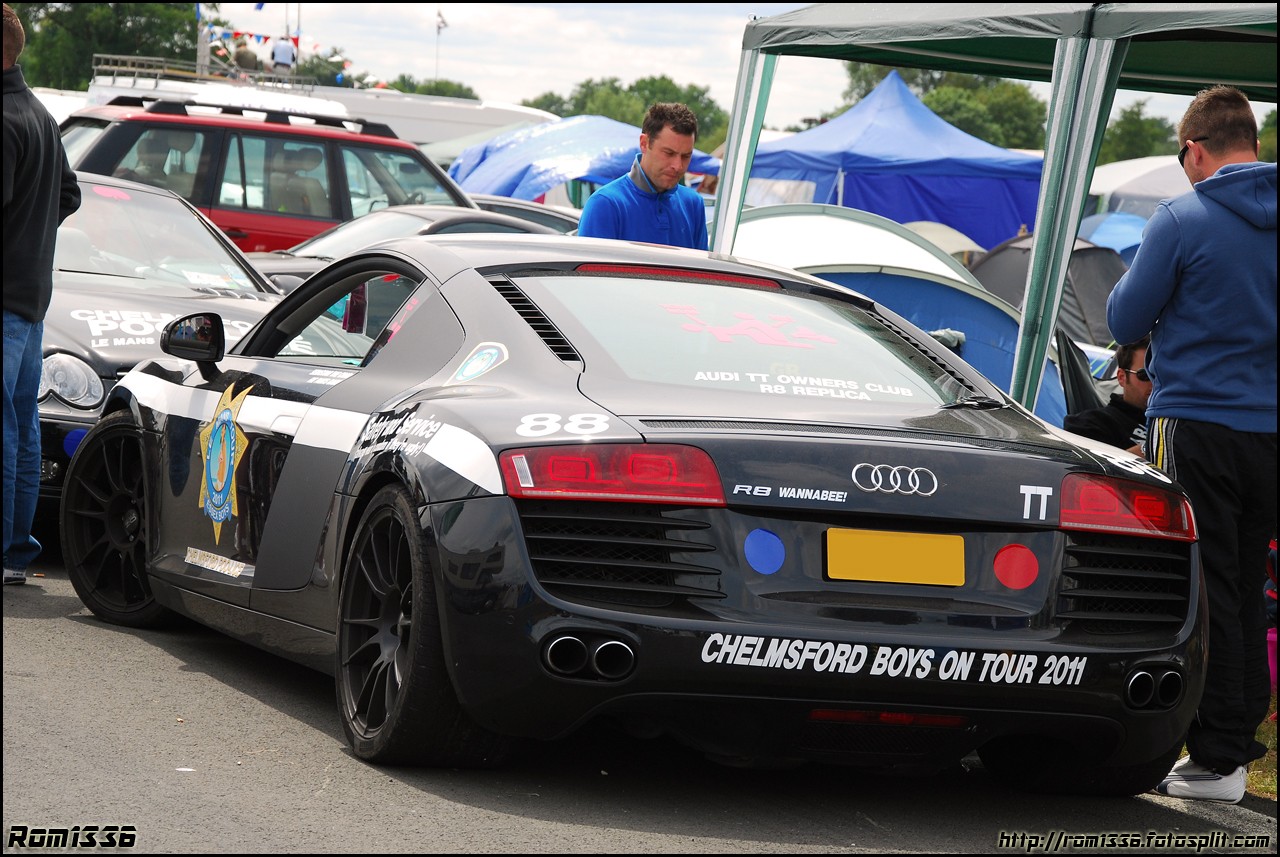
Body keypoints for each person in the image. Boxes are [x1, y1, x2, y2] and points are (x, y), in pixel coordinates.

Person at [1107, 84, 1277, 805]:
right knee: (1249, 589)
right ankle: (1232, 748)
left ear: (1194, 150)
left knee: (1207, 589)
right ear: (1254, 146)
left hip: (1196, 421)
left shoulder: (1182, 217)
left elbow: (1125, 318)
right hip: (1271, 429)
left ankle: (1217, 756)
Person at [2, 3, 82, 585]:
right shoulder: (40, 114)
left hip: (7, 300)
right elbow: (69, 194)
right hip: (29, 298)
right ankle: (14, 554)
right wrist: (31, 236)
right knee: (22, 429)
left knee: (9, 430)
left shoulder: (6, 118)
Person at [577, 102, 708, 250]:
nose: (678, 166)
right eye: (669, 153)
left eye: (686, 156)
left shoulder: (693, 204)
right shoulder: (606, 204)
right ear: (644, 143)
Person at [1061, 335, 1151, 455]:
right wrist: (1152, 448)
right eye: (1145, 375)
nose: (1155, 382)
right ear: (1122, 377)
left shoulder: (1172, 422)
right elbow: (1088, 463)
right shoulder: (1093, 422)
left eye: (1163, 375)